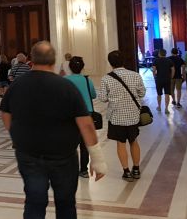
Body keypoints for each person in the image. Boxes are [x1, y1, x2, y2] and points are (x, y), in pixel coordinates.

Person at [0, 42, 106, 219]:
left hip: (29, 156)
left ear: (31, 60)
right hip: (63, 157)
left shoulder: (17, 86)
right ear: (55, 60)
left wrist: (16, 135)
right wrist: (98, 160)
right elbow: (86, 124)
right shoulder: (65, 86)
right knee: (66, 204)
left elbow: (5, 113)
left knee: (34, 206)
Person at [98, 51, 146, 182]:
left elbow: (102, 98)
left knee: (121, 143)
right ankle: (136, 169)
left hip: (116, 115)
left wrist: (112, 97)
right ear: (124, 61)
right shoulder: (135, 75)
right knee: (134, 141)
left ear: (110, 63)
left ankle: (126, 171)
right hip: (133, 115)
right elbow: (142, 92)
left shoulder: (106, 78)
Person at [64, 56, 98, 178]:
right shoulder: (87, 80)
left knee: (70, 143)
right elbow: (93, 95)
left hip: (70, 115)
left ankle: (69, 169)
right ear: (82, 67)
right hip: (86, 114)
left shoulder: (65, 80)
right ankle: (83, 170)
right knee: (85, 144)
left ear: (70, 67)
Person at [152, 49, 174, 114]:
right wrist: (171, 77)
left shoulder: (156, 61)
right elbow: (173, 69)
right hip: (167, 79)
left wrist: (154, 76)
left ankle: (159, 107)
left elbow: (154, 70)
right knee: (167, 94)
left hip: (159, 79)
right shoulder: (169, 60)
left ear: (159, 54)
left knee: (159, 94)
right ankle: (166, 108)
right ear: (165, 53)